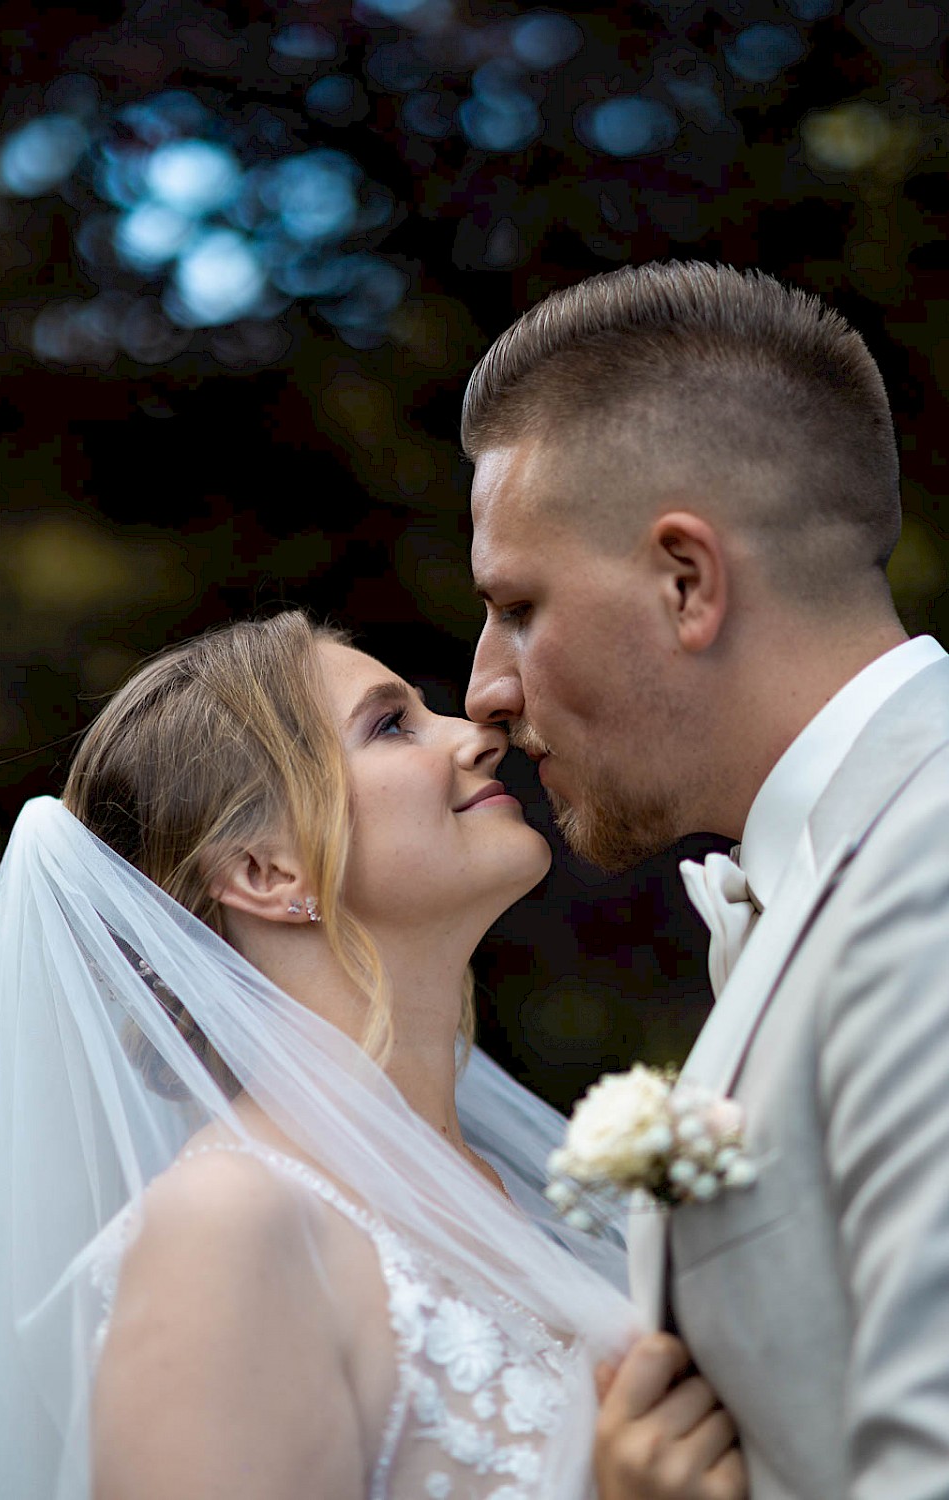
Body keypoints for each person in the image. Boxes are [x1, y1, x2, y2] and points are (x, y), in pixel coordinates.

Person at [0, 609, 744, 1500]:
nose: (475, 733)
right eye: (391, 724)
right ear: (264, 873)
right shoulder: (231, 1226)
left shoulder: (529, 1190)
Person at [463, 259, 949, 1500]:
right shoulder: (845, 863)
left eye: (518, 605)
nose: (485, 690)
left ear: (687, 582)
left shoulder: (929, 861)